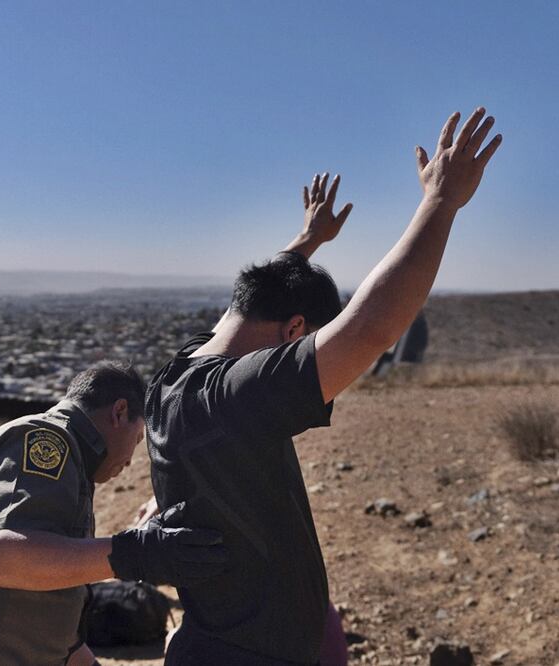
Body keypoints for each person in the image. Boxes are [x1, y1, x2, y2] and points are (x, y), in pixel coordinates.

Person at [145, 108, 502, 664]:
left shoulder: (180, 371)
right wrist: (440, 202)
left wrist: (305, 242)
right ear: (293, 332)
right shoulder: (236, 397)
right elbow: (371, 327)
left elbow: (251, 301)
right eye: (305, 341)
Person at [0, 361, 228, 666]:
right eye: (138, 440)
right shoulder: (47, 441)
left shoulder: (74, 465)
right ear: (119, 412)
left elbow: (45, 613)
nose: (130, 460)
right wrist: (137, 552)